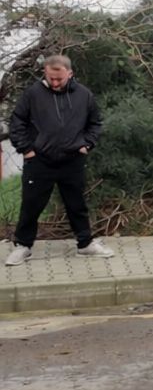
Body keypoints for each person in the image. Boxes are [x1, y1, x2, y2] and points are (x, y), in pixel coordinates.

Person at [6, 55, 115, 265]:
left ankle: (85, 244)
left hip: (72, 160)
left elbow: (95, 123)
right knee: (31, 205)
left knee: (77, 204)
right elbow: (17, 122)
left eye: (59, 79)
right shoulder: (32, 94)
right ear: (45, 73)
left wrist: (87, 144)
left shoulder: (84, 95)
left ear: (69, 74)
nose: (55, 83)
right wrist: (26, 149)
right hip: (39, 161)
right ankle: (23, 247)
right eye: (51, 78)